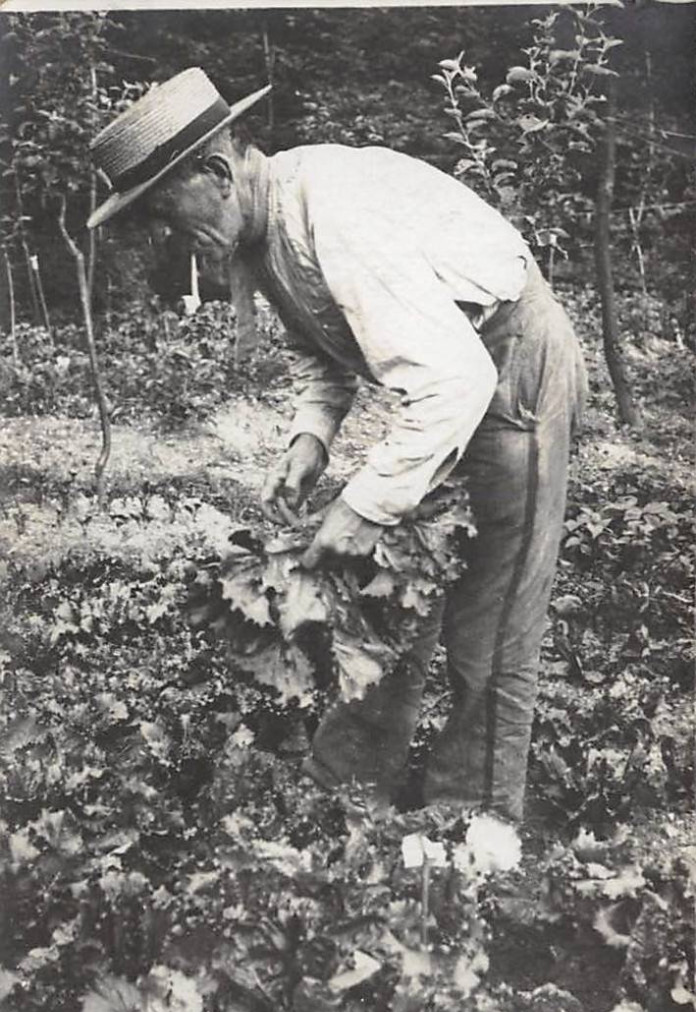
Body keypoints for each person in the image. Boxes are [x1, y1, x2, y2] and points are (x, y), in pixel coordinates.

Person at [88, 67, 588, 822]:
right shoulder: (260, 232)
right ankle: (348, 792)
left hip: (511, 368)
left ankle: (475, 823)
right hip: (448, 380)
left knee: (489, 614)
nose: (165, 235)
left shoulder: (338, 215)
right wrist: (309, 437)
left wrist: (362, 504)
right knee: (389, 596)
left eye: (164, 210)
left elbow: (458, 380)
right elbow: (326, 349)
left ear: (217, 171)